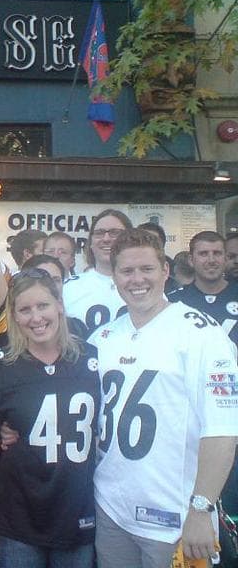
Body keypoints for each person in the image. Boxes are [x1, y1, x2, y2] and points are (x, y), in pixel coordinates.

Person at [88, 228, 238, 567]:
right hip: (112, 510)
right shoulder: (103, 337)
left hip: (176, 516)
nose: (137, 279)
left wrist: (202, 508)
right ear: (114, 276)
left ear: (165, 271)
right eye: (126, 271)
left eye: (147, 269)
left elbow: (222, 429)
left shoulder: (201, 334)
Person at [0, 269, 99, 568]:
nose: (36, 317)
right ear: (14, 316)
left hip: (76, 511)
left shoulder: (93, 359)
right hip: (18, 513)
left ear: (60, 305)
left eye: (42, 305)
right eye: (25, 310)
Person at [63, 209, 133, 333]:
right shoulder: (67, 289)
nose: (106, 239)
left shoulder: (147, 287)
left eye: (114, 233)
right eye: (99, 233)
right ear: (90, 243)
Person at [169, 231, 238, 346]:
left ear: (225, 258)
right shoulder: (173, 301)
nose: (211, 260)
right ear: (191, 260)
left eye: (217, 253)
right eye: (203, 254)